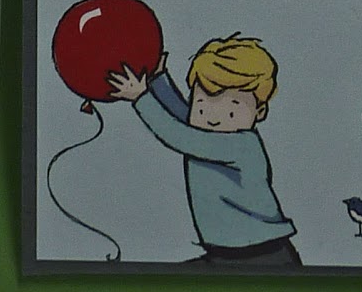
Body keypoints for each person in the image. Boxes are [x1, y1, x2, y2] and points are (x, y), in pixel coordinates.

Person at [107, 32, 301, 268]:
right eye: (201, 105)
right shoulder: (211, 133)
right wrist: (158, 79)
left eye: (231, 111)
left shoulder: (240, 146)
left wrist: (141, 97)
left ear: (259, 112)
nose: (213, 118)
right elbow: (184, 117)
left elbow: (179, 135)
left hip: (262, 256)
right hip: (225, 255)